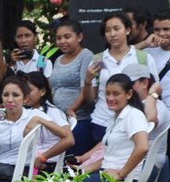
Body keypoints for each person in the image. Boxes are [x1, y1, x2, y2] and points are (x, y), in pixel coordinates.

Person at [83, 12, 158, 144]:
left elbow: (155, 88)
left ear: (128, 30)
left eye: (117, 28)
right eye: (107, 30)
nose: (112, 34)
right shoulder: (98, 60)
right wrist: (88, 81)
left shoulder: (143, 58)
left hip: (133, 122)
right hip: (102, 121)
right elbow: (90, 99)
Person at [76, 74, 149, 182]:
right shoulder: (114, 119)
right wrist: (82, 170)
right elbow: (110, 157)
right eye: (107, 93)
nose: (110, 98)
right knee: (64, 179)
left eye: (116, 94)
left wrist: (121, 174)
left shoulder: (134, 115)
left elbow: (143, 147)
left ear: (129, 94)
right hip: (106, 173)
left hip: (125, 179)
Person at [51, 19, 95, 155]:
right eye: (58, 38)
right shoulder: (58, 59)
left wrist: (72, 108)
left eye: (67, 37)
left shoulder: (86, 55)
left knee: (74, 161)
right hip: (59, 121)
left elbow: (85, 87)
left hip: (78, 119)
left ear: (79, 37)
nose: (62, 41)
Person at [20, 71, 74, 172]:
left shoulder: (53, 112)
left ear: (43, 91)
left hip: (46, 166)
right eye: (23, 90)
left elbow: (69, 140)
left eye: (29, 90)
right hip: (26, 164)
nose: (25, 94)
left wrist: (43, 157)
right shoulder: (25, 111)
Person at [140, 9, 170, 109]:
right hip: (155, 111)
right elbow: (123, 54)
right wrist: (144, 44)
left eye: (166, 29)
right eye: (157, 29)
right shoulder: (147, 52)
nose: (161, 33)